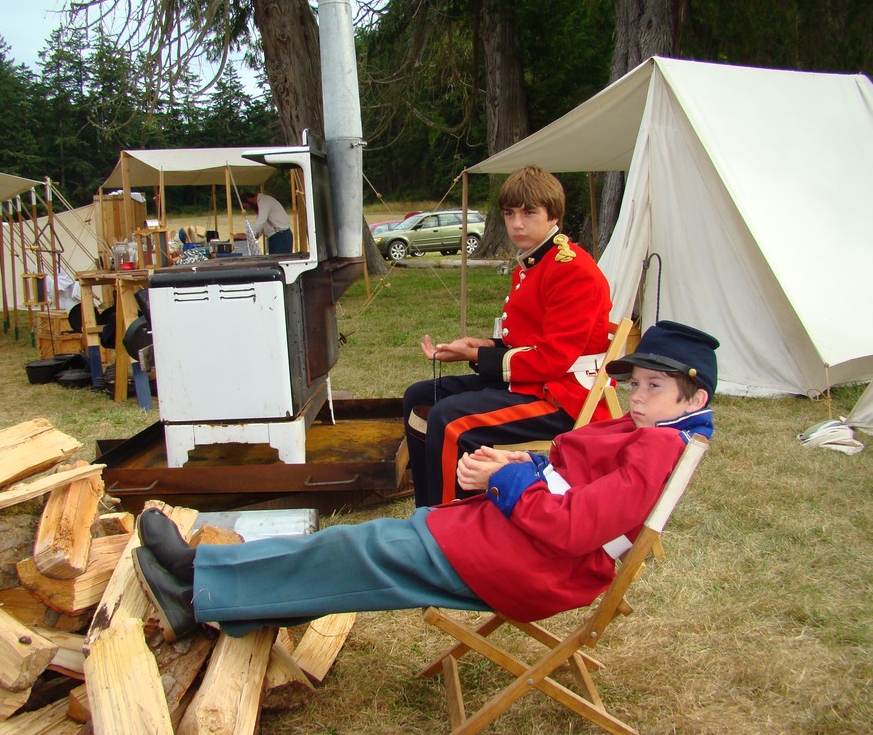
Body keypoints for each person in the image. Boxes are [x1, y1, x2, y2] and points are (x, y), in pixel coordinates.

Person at [132, 321, 719, 642]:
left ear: (695, 397)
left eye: (654, 388)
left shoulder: (658, 445)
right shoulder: (655, 429)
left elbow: (575, 528)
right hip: (517, 544)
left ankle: (197, 582)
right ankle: (224, 605)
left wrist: (506, 485)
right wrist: (510, 468)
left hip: (537, 564)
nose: (636, 397)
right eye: (635, 383)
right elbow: (574, 486)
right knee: (365, 555)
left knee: (361, 547)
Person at [403, 165, 613, 508]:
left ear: (553, 215)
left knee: (449, 418)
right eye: (510, 213)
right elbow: (529, 339)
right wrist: (482, 346)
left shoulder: (573, 270)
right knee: (419, 397)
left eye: (529, 213)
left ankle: (445, 524)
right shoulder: (532, 263)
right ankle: (427, 509)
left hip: (563, 397)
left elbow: (551, 359)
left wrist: (477, 357)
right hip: (535, 381)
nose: (517, 224)